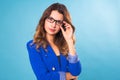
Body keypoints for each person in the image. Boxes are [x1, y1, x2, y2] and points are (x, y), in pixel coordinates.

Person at [26, 3, 81, 80]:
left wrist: (69, 41)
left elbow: (76, 72)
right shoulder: (33, 46)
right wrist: (67, 76)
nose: (53, 25)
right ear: (44, 20)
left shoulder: (66, 45)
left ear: (63, 25)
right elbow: (43, 77)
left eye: (58, 22)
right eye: (50, 19)